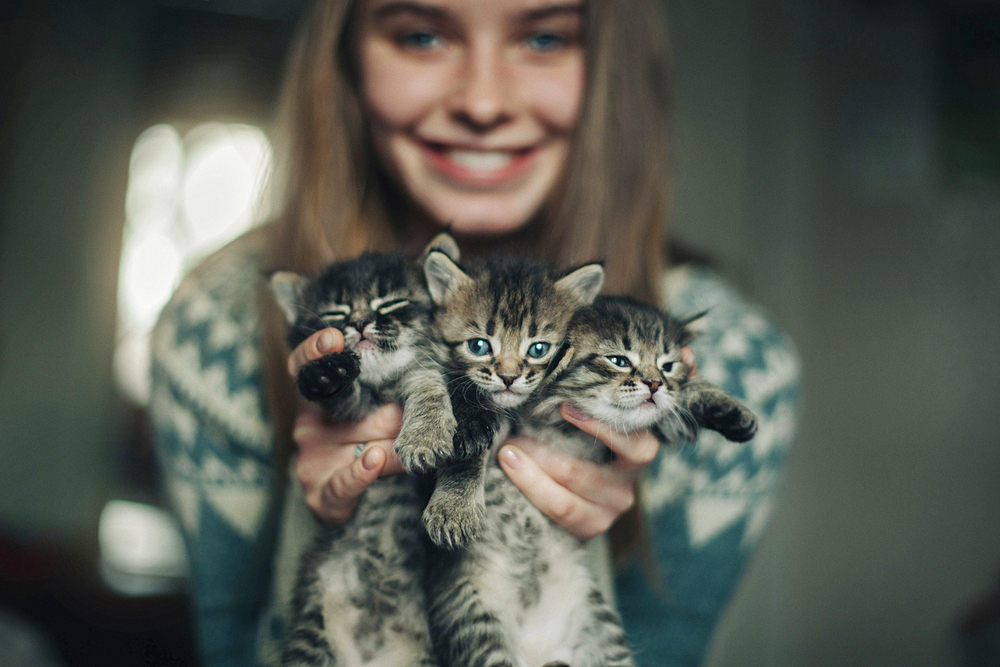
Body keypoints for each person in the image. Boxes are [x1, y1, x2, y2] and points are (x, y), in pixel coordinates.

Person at [149, 0, 800, 665]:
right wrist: (316, 514)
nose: (483, 102)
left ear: (614, 71)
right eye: (422, 36)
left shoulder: (742, 366)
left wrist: (587, 492)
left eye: (544, 38)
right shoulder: (216, 336)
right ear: (344, 59)